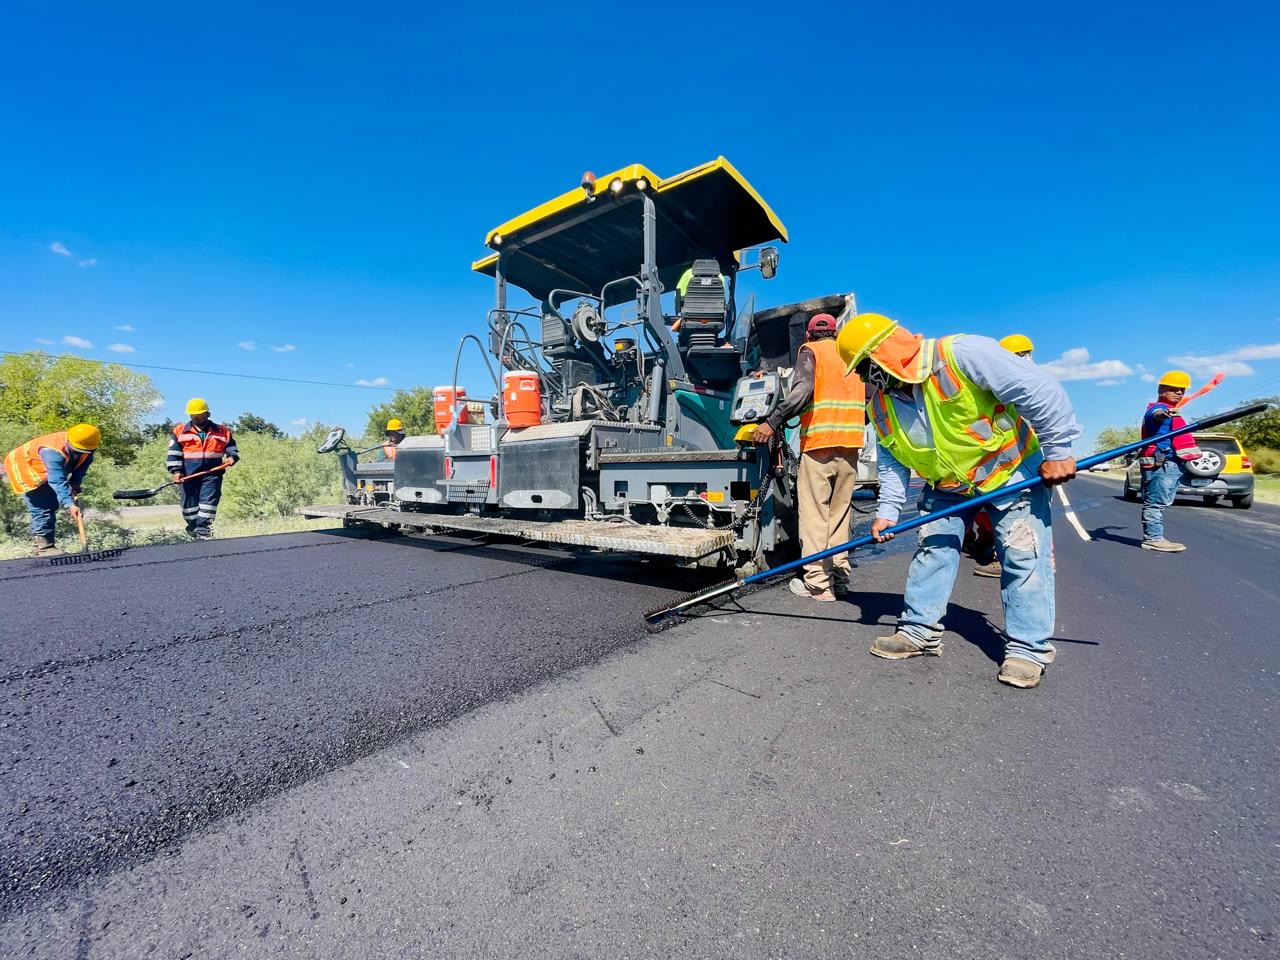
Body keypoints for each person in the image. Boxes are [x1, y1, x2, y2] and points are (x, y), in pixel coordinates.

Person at [836, 313, 1082, 689]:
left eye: (866, 368)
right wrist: (887, 511)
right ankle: (919, 631)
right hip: (948, 486)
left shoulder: (962, 354)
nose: (865, 379)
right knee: (933, 551)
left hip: (1009, 473)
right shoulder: (882, 405)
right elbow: (892, 459)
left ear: (884, 354)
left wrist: (1059, 448)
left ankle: (1027, 649)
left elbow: (1038, 390)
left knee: (1022, 556)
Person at [752, 314, 865, 601]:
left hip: (820, 446)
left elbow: (803, 390)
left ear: (809, 335)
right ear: (836, 333)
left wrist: (773, 421)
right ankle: (839, 577)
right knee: (840, 515)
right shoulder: (852, 356)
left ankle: (818, 584)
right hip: (850, 447)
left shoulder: (810, 352)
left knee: (815, 516)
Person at [967, 333, 1038, 577]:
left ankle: (1008, 558)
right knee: (989, 509)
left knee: (1025, 517)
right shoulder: (1009, 384)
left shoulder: (1027, 386)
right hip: (1003, 462)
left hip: (1024, 462)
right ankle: (987, 542)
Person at [3, 423, 101, 556]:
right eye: (77, 450)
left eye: (86, 451)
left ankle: (43, 545)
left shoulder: (87, 447)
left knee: (51, 502)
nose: (83, 453)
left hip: (49, 467)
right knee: (44, 505)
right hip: (26, 468)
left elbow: (83, 464)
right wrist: (70, 504)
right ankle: (43, 547)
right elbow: (57, 479)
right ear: (69, 442)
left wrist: (75, 483)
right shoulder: (52, 451)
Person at [1137, 371, 1200, 553]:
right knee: (1155, 502)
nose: (1179, 393)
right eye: (1173, 389)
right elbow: (1156, 415)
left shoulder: (1170, 410)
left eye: (1182, 390)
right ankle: (1153, 538)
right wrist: (1164, 413)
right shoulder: (1156, 409)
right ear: (1161, 389)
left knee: (1161, 501)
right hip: (1160, 463)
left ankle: (1155, 537)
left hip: (1169, 462)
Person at [167, 398, 239, 540]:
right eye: (193, 415)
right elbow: (174, 453)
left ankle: (204, 531)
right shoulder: (180, 431)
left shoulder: (222, 431)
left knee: (208, 503)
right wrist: (176, 471)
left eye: (199, 414)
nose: (196, 417)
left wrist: (232, 457)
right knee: (189, 506)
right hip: (188, 474)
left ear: (208, 414)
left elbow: (231, 447)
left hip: (213, 474)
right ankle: (193, 529)